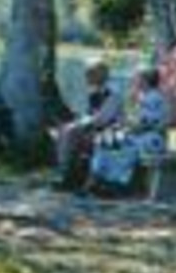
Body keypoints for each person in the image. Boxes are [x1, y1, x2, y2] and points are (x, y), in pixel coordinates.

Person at [89, 66, 169, 195]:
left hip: (150, 138)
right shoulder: (145, 96)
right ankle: (102, 180)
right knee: (105, 140)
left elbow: (146, 123)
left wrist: (127, 126)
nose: (134, 81)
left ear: (145, 81)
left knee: (114, 144)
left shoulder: (153, 98)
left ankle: (116, 183)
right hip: (141, 135)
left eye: (137, 78)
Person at [52, 58, 123, 190]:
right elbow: (87, 114)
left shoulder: (112, 94)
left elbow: (102, 118)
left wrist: (80, 124)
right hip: (93, 128)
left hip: (111, 131)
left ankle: (65, 173)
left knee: (70, 132)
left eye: (90, 74)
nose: (86, 77)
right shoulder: (93, 93)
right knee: (62, 130)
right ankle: (66, 171)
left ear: (100, 75)